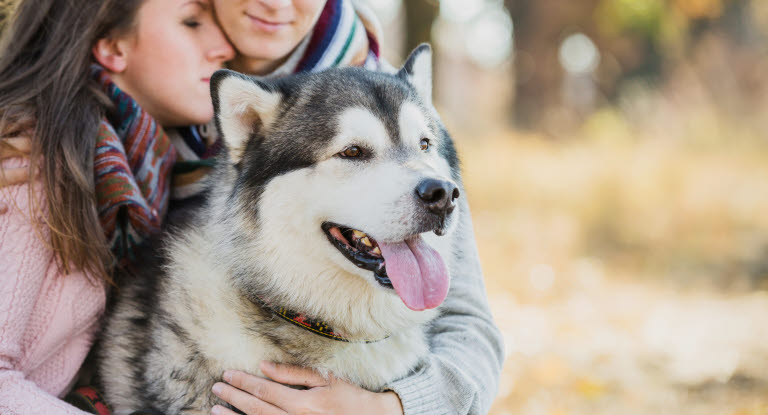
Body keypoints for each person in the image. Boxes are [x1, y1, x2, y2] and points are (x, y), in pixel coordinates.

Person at [201, 1, 506, 415]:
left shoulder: (402, 99)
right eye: (354, 152)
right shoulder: (150, 67)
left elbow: (468, 325)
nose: (274, 3)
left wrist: (388, 409)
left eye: (423, 146)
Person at [0, 0, 234, 414]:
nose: (223, 49)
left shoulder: (144, 171)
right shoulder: (32, 159)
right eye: (192, 22)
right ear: (112, 47)